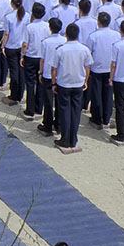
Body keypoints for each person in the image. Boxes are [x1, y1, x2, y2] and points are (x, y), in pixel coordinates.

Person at [50, 24, 92, 153]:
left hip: (64, 83)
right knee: (75, 112)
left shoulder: (61, 50)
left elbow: (53, 68)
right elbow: (87, 67)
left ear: (66, 35)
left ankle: (65, 138)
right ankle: (73, 139)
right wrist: (85, 80)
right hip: (78, 83)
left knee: (64, 111)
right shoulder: (84, 49)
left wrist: (53, 83)